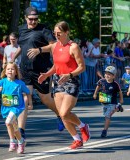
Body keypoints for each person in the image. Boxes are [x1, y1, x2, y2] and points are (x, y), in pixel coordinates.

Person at [37, 21, 90, 149]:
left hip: (71, 81)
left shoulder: (74, 47)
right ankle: (77, 139)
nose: (56, 35)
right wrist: (46, 75)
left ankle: (83, 126)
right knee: (61, 115)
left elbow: (82, 67)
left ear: (67, 32)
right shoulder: (55, 46)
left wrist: (70, 75)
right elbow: (57, 65)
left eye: (59, 33)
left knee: (65, 112)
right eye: (55, 33)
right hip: (58, 81)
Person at [12, 7, 64, 138]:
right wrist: (13, 58)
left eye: (36, 19)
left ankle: (60, 114)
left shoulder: (44, 30)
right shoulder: (21, 29)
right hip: (25, 70)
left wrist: (39, 50)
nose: (34, 21)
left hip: (41, 71)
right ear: (26, 18)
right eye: (31, 19)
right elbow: (22, 46)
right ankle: (21, 131)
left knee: (45, 99)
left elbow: (54, 46)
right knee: (24, 98)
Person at [0, 62, 31, 154]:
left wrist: (30, 103)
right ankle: (21, 141)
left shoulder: (20, 83)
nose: (10, 70)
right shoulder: (1, 82)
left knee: (8, 122)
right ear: (5, 71)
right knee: (14, 127)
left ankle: (12, 142)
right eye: (8, 69)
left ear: (16, 72)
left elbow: (27, 92)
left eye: (12, 69)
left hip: (16, 108)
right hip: (6, 108)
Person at [93, 66, 123, 138]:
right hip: (104, 101)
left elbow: (120, 92)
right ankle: (118, 108)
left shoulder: (115, 84)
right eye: (106, 74)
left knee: (107, 116)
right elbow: (98, 86)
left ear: (114, 76)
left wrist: (121, 99)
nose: (107, 75)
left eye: (109, 74)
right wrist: (95, 93)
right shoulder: (102, 81)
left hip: (112, 102)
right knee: (107, 114)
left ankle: (104, 131)